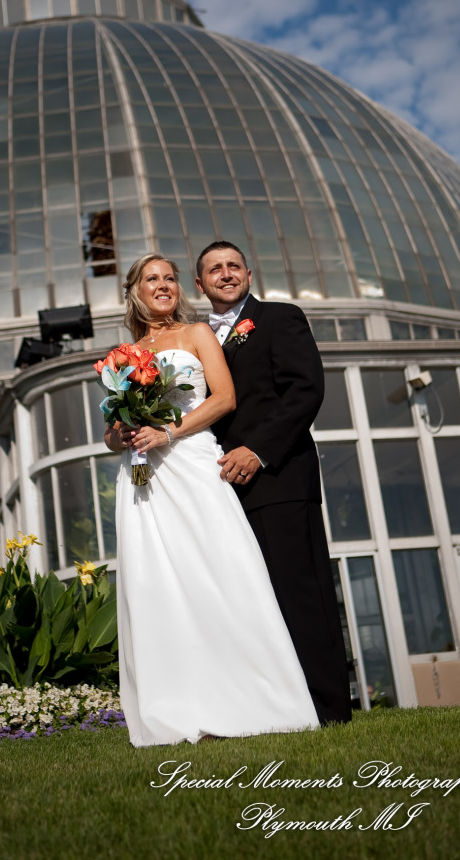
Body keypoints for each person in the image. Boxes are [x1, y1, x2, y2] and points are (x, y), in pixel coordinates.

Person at [104, 253, 319, 747]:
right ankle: (178, 708)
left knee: (221, 572)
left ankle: (261, 700)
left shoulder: (198, 334)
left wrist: (167, 432)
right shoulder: (123, 354)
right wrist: (124, 430)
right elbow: (111, 435)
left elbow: (224, 399)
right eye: (152, 279)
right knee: (156, 585)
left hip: (193, 463)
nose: (163, 286)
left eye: (170, 279)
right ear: (134, 291)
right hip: (142, 478)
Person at [195, 240, 352, 726]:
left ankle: (329, 710)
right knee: (254, 601)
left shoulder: (280, 318)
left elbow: (306, 390)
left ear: (248, 273)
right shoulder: (198, 340)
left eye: (233, 266)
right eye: (214, 269)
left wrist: (259, 451)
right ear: (200, 284)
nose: (225, 274)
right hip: (223, 489)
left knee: (300, 592)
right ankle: (276, 710)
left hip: (280, 477)